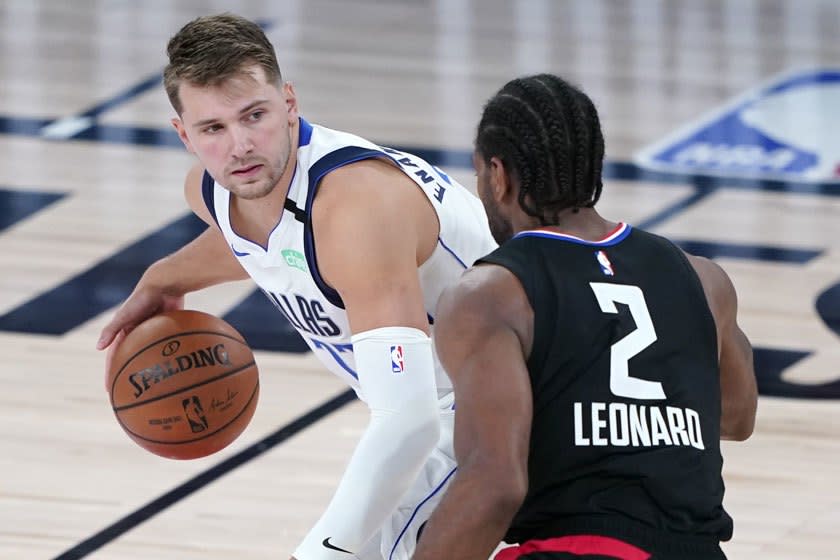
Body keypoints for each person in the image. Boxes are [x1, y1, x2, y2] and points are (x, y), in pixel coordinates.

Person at [95, 13, 497, 560]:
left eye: (253, 116)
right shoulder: (216, 193)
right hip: (459, 406)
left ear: (289, 104)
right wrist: (166, 275)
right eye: (213, 129)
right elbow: (271, 243)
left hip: (504, 403)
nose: (239, 146)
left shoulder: (355, 210)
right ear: (183, 134)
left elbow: (410, 422)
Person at [411, 74, 758, 560]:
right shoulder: (703, 280)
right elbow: (737, 417)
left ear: (497, 175)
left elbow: (495, 485)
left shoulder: (490, 294)